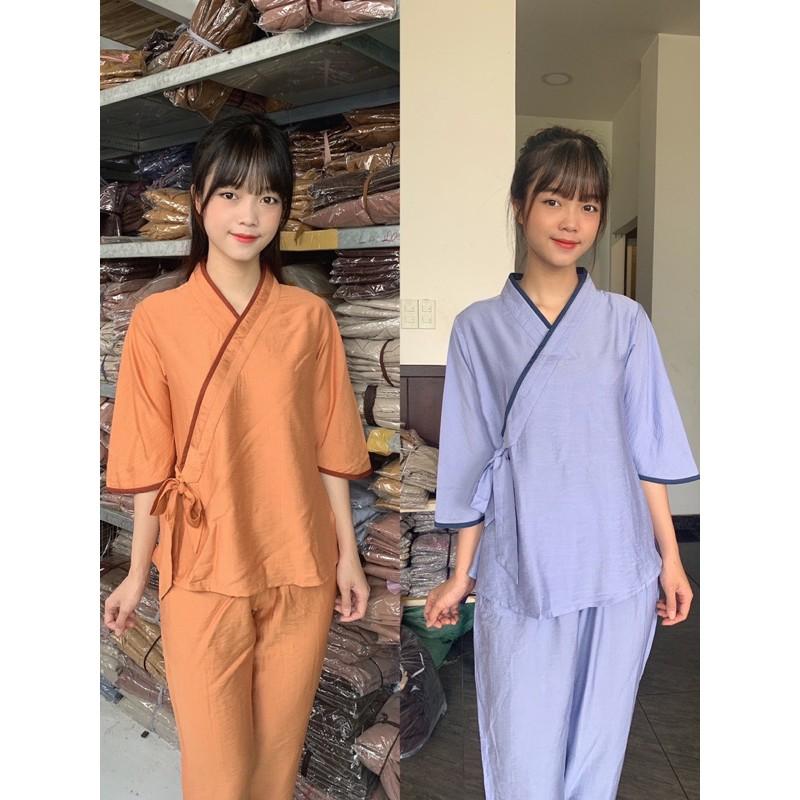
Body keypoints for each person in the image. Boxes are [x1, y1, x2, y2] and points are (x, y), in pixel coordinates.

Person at [102, 114, 373, 800]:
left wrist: (347, 556)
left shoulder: (309, 318)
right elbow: (150, 458)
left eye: (268, 197)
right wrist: (136, 573)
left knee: (277, 761)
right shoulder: (156, 320)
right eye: (231, 194)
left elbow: (331, 446)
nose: (249, 215)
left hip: (298, 565)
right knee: (218, 772)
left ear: (284, 209)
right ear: (198, 200)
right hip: (201, 568)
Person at [424, 126, 699, 799]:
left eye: (589, 205)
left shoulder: (625, 322)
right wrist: (462, 573)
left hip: (617, 564)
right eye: (554, 200)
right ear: (520, 205)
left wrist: (670, 558)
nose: (572, 221)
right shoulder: (477, 328)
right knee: (522, 748)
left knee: (598, 747)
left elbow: (647, 449)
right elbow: (472, 457)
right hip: (522, 568)